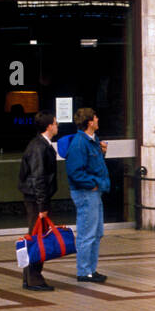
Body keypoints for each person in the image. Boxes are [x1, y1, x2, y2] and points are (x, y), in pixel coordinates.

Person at [66, 106, 109, 283]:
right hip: (86, 193)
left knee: (97, 232)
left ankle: (91, 269)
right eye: (96, 118)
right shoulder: (79, 142)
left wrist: (102, 153)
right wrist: (92, 184)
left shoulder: (93, 140)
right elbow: (75, 172)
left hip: (94, 192)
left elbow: (94, 165)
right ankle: (84, 271)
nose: (98, 120)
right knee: (87, 232)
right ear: (89, 122)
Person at [17, 110, 58, 291]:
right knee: (37, 238)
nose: (57, 126)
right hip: (36, 198)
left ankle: (29, 276)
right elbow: (38, 177)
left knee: (35, 236)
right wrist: (42, 205)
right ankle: (34, 277)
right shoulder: (39, 147)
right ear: (49, 126)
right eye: (55, 123)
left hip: (35, 196)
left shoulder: (41, 145)